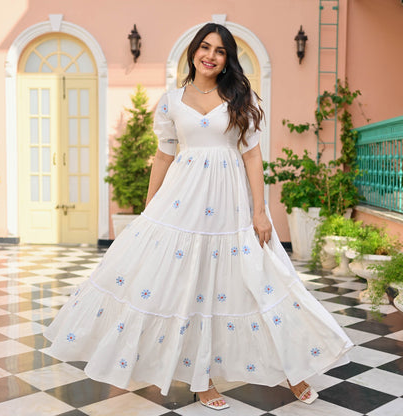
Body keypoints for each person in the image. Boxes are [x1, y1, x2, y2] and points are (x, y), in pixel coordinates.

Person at [44, 23, 353, 411]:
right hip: (182, 202)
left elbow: (252, 155)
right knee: (190, 285)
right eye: (205, 47)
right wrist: (149, 204)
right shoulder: (172, 101)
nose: (210, 55)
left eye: (220, 51)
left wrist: (261, 211)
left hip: (231, 203)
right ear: (193, 51)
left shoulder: (242, 97)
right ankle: (201, 379)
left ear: (227, 60)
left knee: (259, 280)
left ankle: (295, 371)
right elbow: (164, 154)